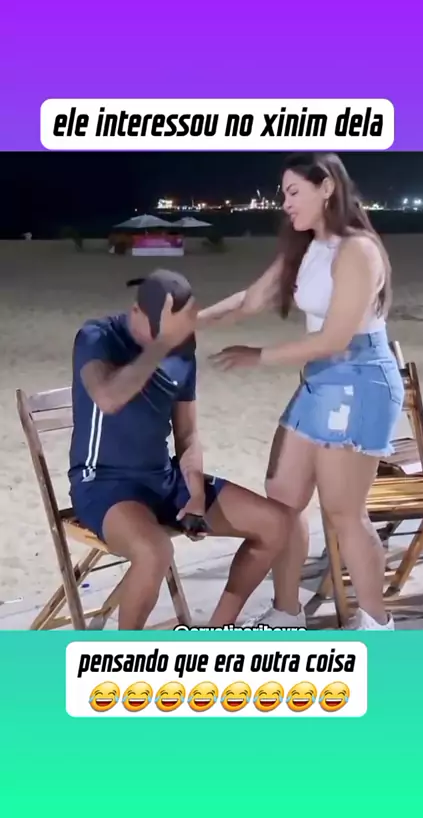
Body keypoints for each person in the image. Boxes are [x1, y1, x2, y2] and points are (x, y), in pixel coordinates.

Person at [198, 152, 405, 631]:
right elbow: (251, 299)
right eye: (284, 194)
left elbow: (336, 338)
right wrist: (191, 321)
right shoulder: (308, 246)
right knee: (282, 497)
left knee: (344, 512)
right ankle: (287, 613)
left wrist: (258, 356)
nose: (285, 203)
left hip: (359, 379)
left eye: (294, 192)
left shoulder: (357, 250)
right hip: (319, 380)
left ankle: (378, 626)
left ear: (326, 187)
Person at [68, 269, 293, 631]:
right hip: (104, 485)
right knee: (154, 551)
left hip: (164, 478)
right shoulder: (97, 337)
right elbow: (108, 397)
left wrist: (197, 496)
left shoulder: (181, 348)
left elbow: (187, 435)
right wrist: (161, 344)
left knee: (276, 524)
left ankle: (217, 632)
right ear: (137, 311)